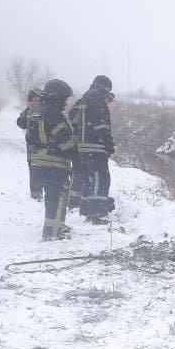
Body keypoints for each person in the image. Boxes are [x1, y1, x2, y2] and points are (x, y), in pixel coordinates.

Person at [27, 78, 76, 240]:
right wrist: (75, 153)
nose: (65, 102)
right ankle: (54, 232)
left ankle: (53, 227)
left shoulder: (37, 112)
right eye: (65, 98)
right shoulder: (55, 115)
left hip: (38, 163)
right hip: (55, 164)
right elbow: (64, 141)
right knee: (58, 197)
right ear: (58, 96)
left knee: (51, 197)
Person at [68, 75, 116, 222]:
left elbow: (72, 116)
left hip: (84, 147)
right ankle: (95, 215)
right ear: (105, 87)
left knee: (90, 179)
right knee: (99, 179)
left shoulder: (84, 98)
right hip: (95, 146)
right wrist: (108, 142)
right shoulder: (96, 97)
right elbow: (100, 123)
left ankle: (89, 210)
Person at [16, 87, 44, 199]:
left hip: (44, 146)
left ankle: (43, 191)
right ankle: (36, 194)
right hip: (32, 147)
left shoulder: (46, 111)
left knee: (44, 169)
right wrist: (28, 110)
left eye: (39, 100)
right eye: (34, 100)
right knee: (34, 170)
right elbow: (21, 123)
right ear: (30, 101)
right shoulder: (28, 112)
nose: (36, 103)